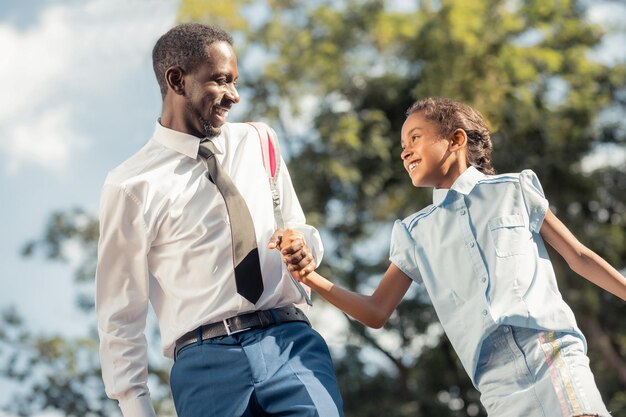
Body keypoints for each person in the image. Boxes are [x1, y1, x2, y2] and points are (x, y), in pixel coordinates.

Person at [284, 97, 626, 417]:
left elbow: (578, 256)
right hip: (495, 381)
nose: (405, 153)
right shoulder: (414, 233)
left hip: (550, 351)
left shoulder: (513, 190)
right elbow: (375, 312)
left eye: (415, 138)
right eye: (402, 147)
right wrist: (310, 276)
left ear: (456, 139)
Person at [95, 23, 344, 417]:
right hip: (204, 366)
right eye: (221, 81)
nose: (235, 95)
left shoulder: (259, 140)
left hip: (290, 344)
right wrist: (135, 406)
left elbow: (300, 229)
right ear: (177, 80)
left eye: (235, 81)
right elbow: (119, 314)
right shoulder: (130, 185)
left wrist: (302, 246)